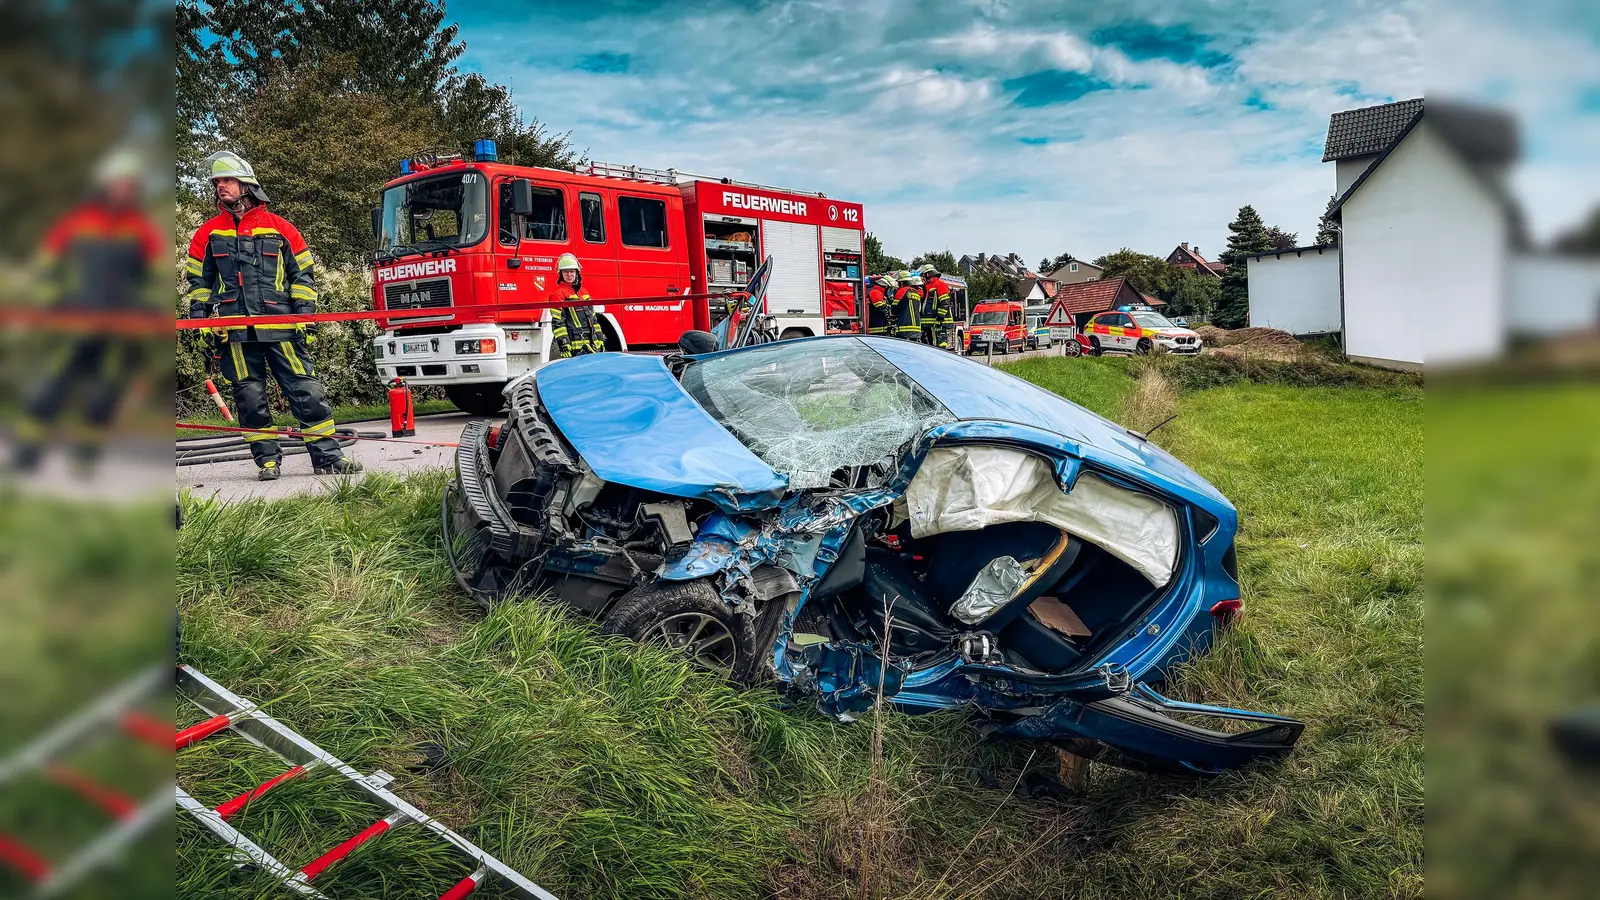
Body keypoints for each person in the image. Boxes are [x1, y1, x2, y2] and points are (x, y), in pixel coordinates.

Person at [183, 150, 361, 481]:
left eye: (227, 180)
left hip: (282, 328)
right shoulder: (207, 234)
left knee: (307, 392)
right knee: (249, 399)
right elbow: (199, 284)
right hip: (234, 333)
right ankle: (267, 460)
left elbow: (303, 278)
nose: (221, 186)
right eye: (217, 181)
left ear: (246, 185)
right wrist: (202, 322)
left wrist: (305, 319)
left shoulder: (281, 228)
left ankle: (328, 457)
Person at [10, 147, 164, 473]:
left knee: (104, 396)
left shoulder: (140, 227)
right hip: (76, 323)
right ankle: (27, 454)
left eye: (131, 185)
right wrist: (53, 299)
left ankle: (86, 458)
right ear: (107, 184)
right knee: (54, 388)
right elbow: (47, 262)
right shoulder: (80, 220)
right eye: (121, 183)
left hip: (120, 327)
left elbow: (156, 276)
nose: (126, 190)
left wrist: (146, 311)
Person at [547, 253, 602, 357]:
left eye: (572, 271)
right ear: (561, 274)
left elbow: (593, 318)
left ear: (577, 273)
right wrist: (563, 343)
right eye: (565, 272)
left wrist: (600, 337)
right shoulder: (557, 294)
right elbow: (558, 322)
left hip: (592, 345)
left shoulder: (584, 292)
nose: (569, 275)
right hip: (574, 346)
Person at [918, 264, 954, 349]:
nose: (922, 278)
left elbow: (945, 302)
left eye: (923, 276)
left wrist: (940, 317)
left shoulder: (939, 284)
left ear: (928, 274)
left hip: (940, 323)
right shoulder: (927, 287)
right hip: (930, 324)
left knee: (939, 347)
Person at [892, 270, 923, 340]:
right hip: (917, 329)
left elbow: (893, 309)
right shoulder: (916, 293)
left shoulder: (902, 291)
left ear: (902, 283)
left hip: (904, 329)